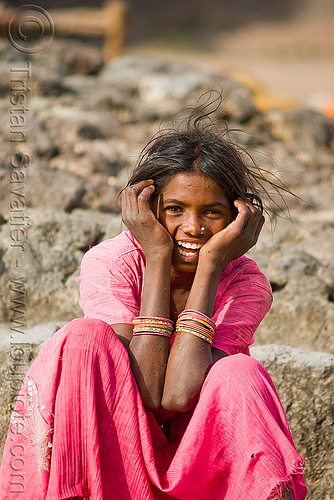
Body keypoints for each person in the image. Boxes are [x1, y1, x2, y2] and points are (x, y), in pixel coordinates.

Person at [0, 103, 307, 500]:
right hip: (111, 459)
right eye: (175, 210)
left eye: (211, 213)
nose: (193, 228)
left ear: (235, 218)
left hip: (197, 464)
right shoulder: (112, 262)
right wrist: (158, 256)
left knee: (241, 373)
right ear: (145, 209)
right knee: (83, 338)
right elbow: (146, 392)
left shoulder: (244, 283)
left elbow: (176, 397)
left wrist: (211, 265)